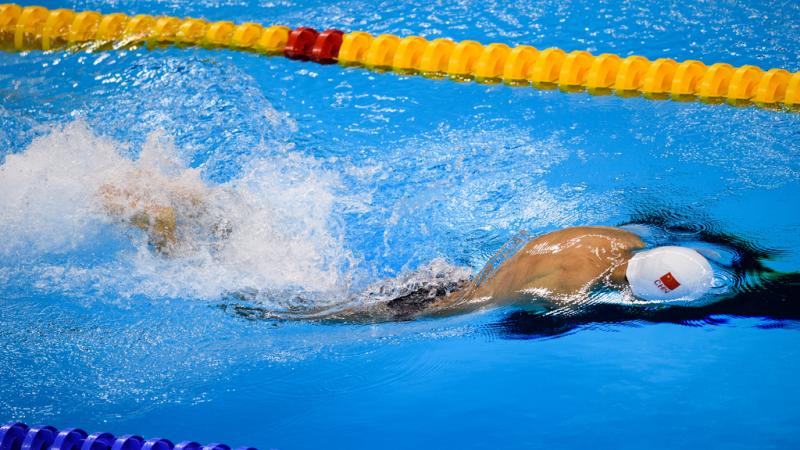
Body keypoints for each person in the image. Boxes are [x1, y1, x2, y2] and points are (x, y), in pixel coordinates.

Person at [98, 181, 715, 318]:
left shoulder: (621, 241)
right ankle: (164, 236)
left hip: (454, 272)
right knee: (280, 310)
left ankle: (209, 213)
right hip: (436, 300)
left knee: (306, 283)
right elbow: (517, 314)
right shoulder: (566, 289)